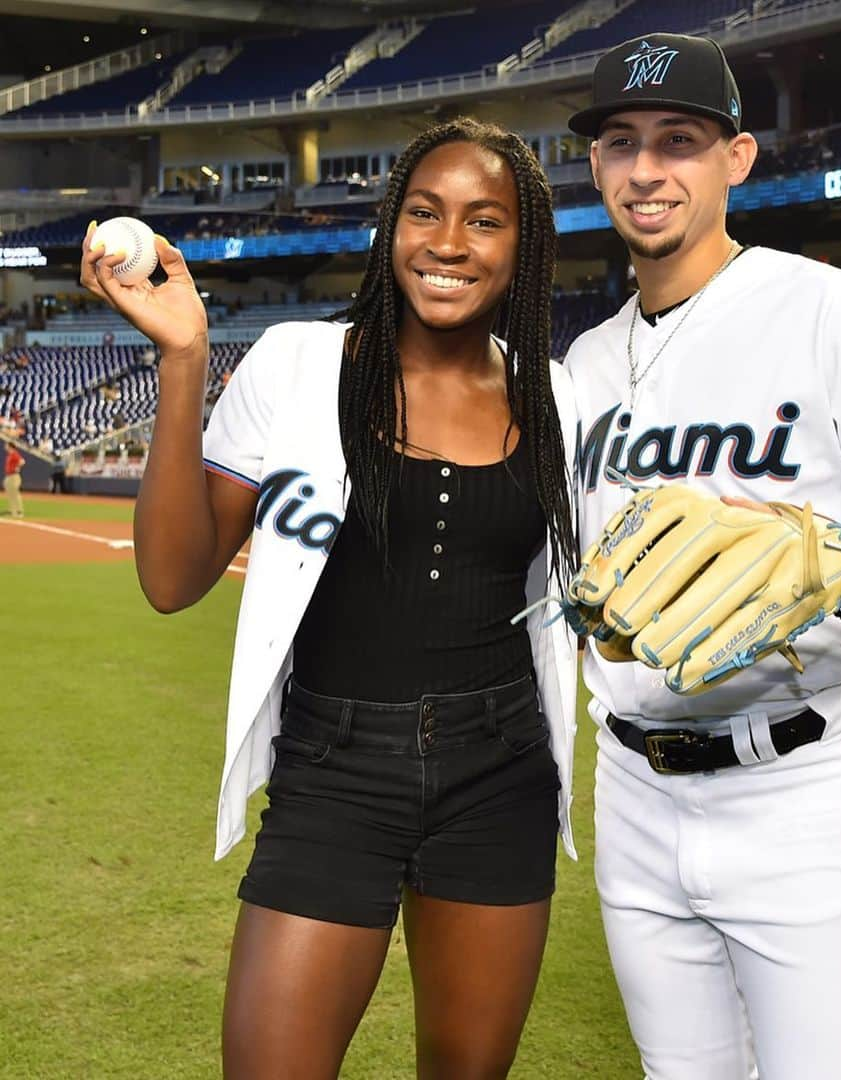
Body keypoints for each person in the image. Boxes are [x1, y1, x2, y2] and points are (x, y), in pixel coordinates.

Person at [79, 118, 580, 1080]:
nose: (447, 244)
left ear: (524, 248)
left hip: (501, 773)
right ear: (392, 225)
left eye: (485, 221)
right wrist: (184, 359)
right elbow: (172, 578)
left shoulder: (556, 398)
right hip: (333, 771)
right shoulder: (298, 363)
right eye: (425, 213)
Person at [562, 33, 841, 1080]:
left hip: (795, 794)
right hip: (632, 791)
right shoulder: (582, 364)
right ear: (594, 167)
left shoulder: (831, 310)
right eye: (621, 143)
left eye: (680, 141)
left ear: (737, 159)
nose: (647, 169)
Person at [3, 440, 24, 517]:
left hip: (14, 476)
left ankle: (19, 511)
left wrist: (17, 467)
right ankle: (12, 511)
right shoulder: (10, 455)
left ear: (10, 446)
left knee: (15, 493)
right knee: (10, 494)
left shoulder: (15, 454)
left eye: (6, 445)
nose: (5, 446)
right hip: (9, 476)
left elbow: (22, 461)